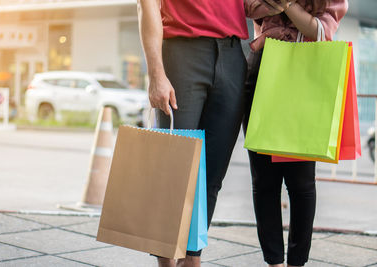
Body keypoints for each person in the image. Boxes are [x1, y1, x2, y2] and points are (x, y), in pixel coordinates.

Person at [137, 0, 249, 266]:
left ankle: (192, 258)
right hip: (181, 51)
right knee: (175, 173)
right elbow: (146, 5)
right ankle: (167, 261)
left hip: (233, 53)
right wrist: (156, 73)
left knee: (211, 176)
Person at [243, 0, 348, 266]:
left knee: (300, 182)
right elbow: (248, 8)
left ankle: (296, 262)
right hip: (262, 66)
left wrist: (285, 4)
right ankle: (274, 262)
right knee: (264, 180)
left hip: (303, 70)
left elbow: (321, 32)